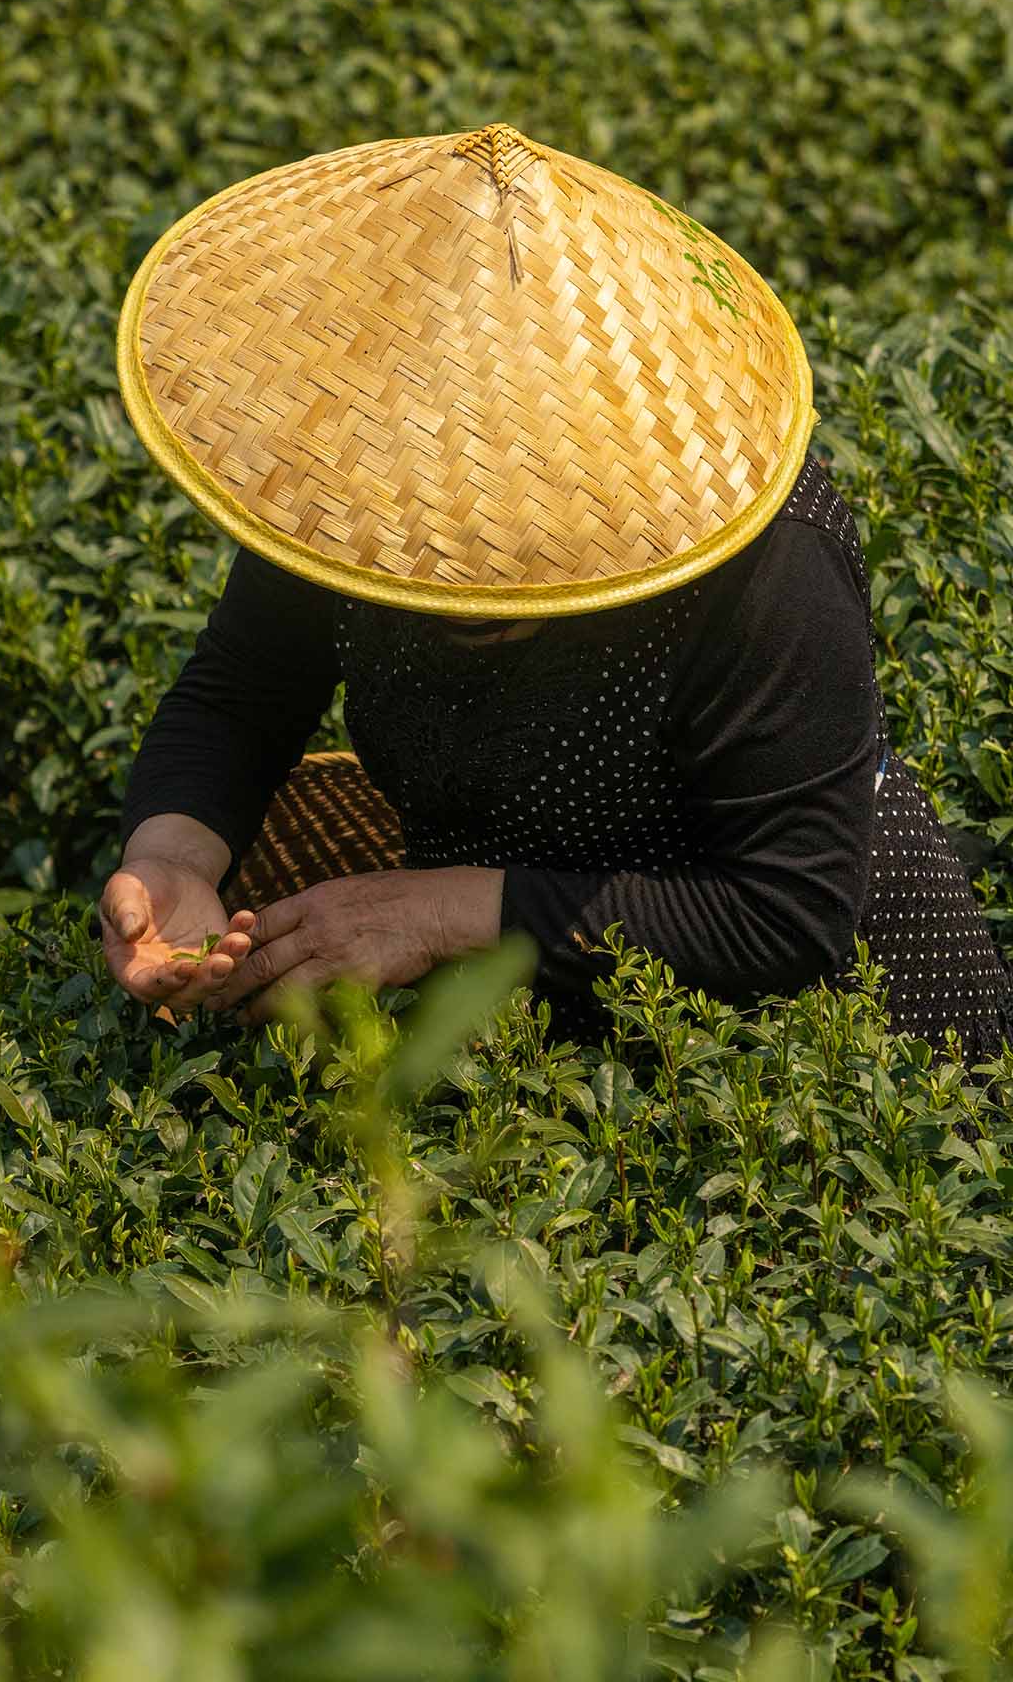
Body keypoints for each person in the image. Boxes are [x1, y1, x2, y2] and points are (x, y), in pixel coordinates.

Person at [98, 124, 1013, 1062]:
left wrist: (438, 913)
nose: (442, 586)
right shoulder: (340, 494)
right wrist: (172, 859)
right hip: (534, 988)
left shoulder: (767, 557)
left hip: (833, 1042)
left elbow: (784, 914)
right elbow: (240, 694)